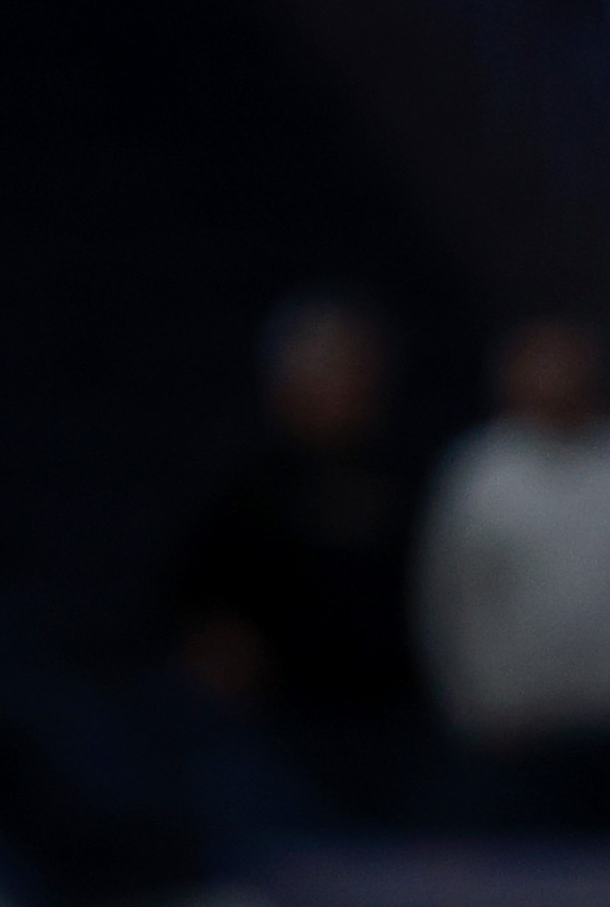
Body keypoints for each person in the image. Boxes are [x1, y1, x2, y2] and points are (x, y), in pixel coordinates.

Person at [413, 317, 610, 834]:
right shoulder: (479, 471)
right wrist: (471, 702)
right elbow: (448, 597)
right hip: (517, 731)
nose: (555, 378)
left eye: (568, 363)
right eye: (539, 365)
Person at [171, 291, 426, 823]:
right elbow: (193, 599)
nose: (345, 386)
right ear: (284, 383)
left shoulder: (410, 474)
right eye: (325, 369)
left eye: (356, 368)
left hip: (396, 720)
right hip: (281, 724)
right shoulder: (244, 481)